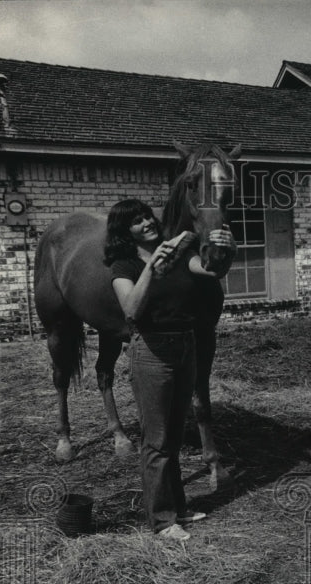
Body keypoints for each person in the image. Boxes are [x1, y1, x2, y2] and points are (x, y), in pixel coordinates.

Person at [104, 199, 233, 541]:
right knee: (157, 441)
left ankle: (179, 509)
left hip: (186, 346)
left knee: (174, 438)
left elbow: (214, 271)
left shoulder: (179, 256)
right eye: (136, 221)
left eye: (147, 216)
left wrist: (227, 249)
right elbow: (131, 310)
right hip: (152, 352)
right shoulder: (123, 265)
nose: (146, 222)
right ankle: (162, 521)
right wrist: (150, 267)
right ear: (124, 231)